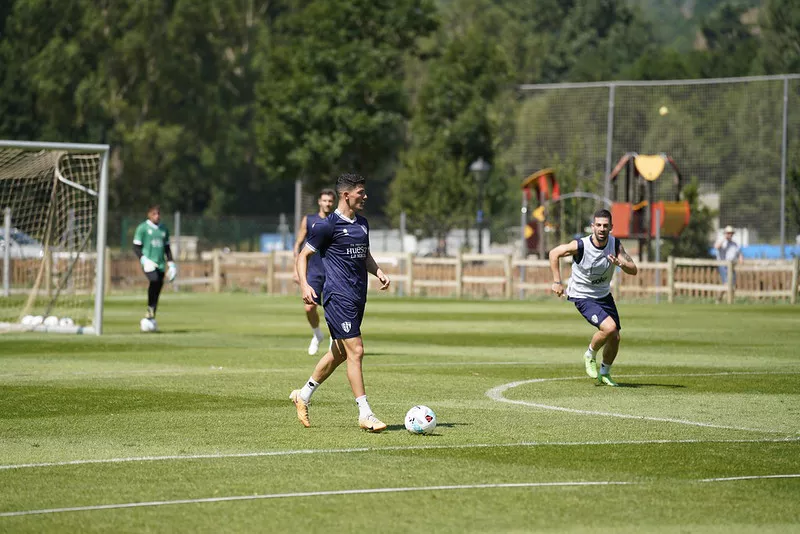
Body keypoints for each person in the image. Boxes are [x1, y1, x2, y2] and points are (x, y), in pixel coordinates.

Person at [291, 173, 391, 432]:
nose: (365, 196)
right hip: (337, 296)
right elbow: (303, 255)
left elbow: (364, 255)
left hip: (358, 297)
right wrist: (305, 285)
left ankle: (303, 395)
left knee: (339, 353)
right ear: (346, 195)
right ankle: (365, 413)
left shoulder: (363, 224)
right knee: (356, 351)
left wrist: (378, 271)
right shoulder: (327, 226)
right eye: (361, 192)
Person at [548, 209, 638, 386]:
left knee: (615, 337)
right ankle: (590, 354)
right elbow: (554, 253)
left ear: (611, 227)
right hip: (582, 295)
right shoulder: (581, 245)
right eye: (598, 225)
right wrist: (557, 281)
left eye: (605, 225)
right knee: (610, 328)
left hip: (603, 296)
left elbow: (633, 269)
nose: (602, 229)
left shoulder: (615, 245)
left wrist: (620, 263)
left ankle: (604, 373)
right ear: (592, 227)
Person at [293, 188, 336, 354]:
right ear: (319, 202)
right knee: (309, 308)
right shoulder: (309, 220)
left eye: (330, 201)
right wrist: (296, 270)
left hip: (333, 272)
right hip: (313, 271)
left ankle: (334, 339)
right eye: (324, 200)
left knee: (333, 309)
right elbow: (298, 245)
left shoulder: (337, 220)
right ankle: (317, 334)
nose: (327, 204)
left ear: (333, 203)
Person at [132, 205, 177, 328]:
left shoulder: (164, 229)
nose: (157, 216)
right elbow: (136, 247)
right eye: (154, 214)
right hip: (149, 263)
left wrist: (171, 264)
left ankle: (151, 313)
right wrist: (143, 259)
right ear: (149, 215)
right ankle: (150, 310)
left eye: (158, 214)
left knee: (158, 287)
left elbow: (167, 248)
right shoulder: (142, 228)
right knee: (154, 280)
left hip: (161, 264)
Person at [714, 225, 743, 292]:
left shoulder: (734, 244)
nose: (730, 234)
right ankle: (719, 297)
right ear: (725, 233)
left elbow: (739, 253)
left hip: (731, 266)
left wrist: (741, 259)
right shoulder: (722, 241)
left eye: (731, 233)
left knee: (732, 284)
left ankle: (722, 297)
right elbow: (716, 246)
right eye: (728, 233)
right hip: (723, 265)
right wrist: (724, 238)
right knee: (726, 283)